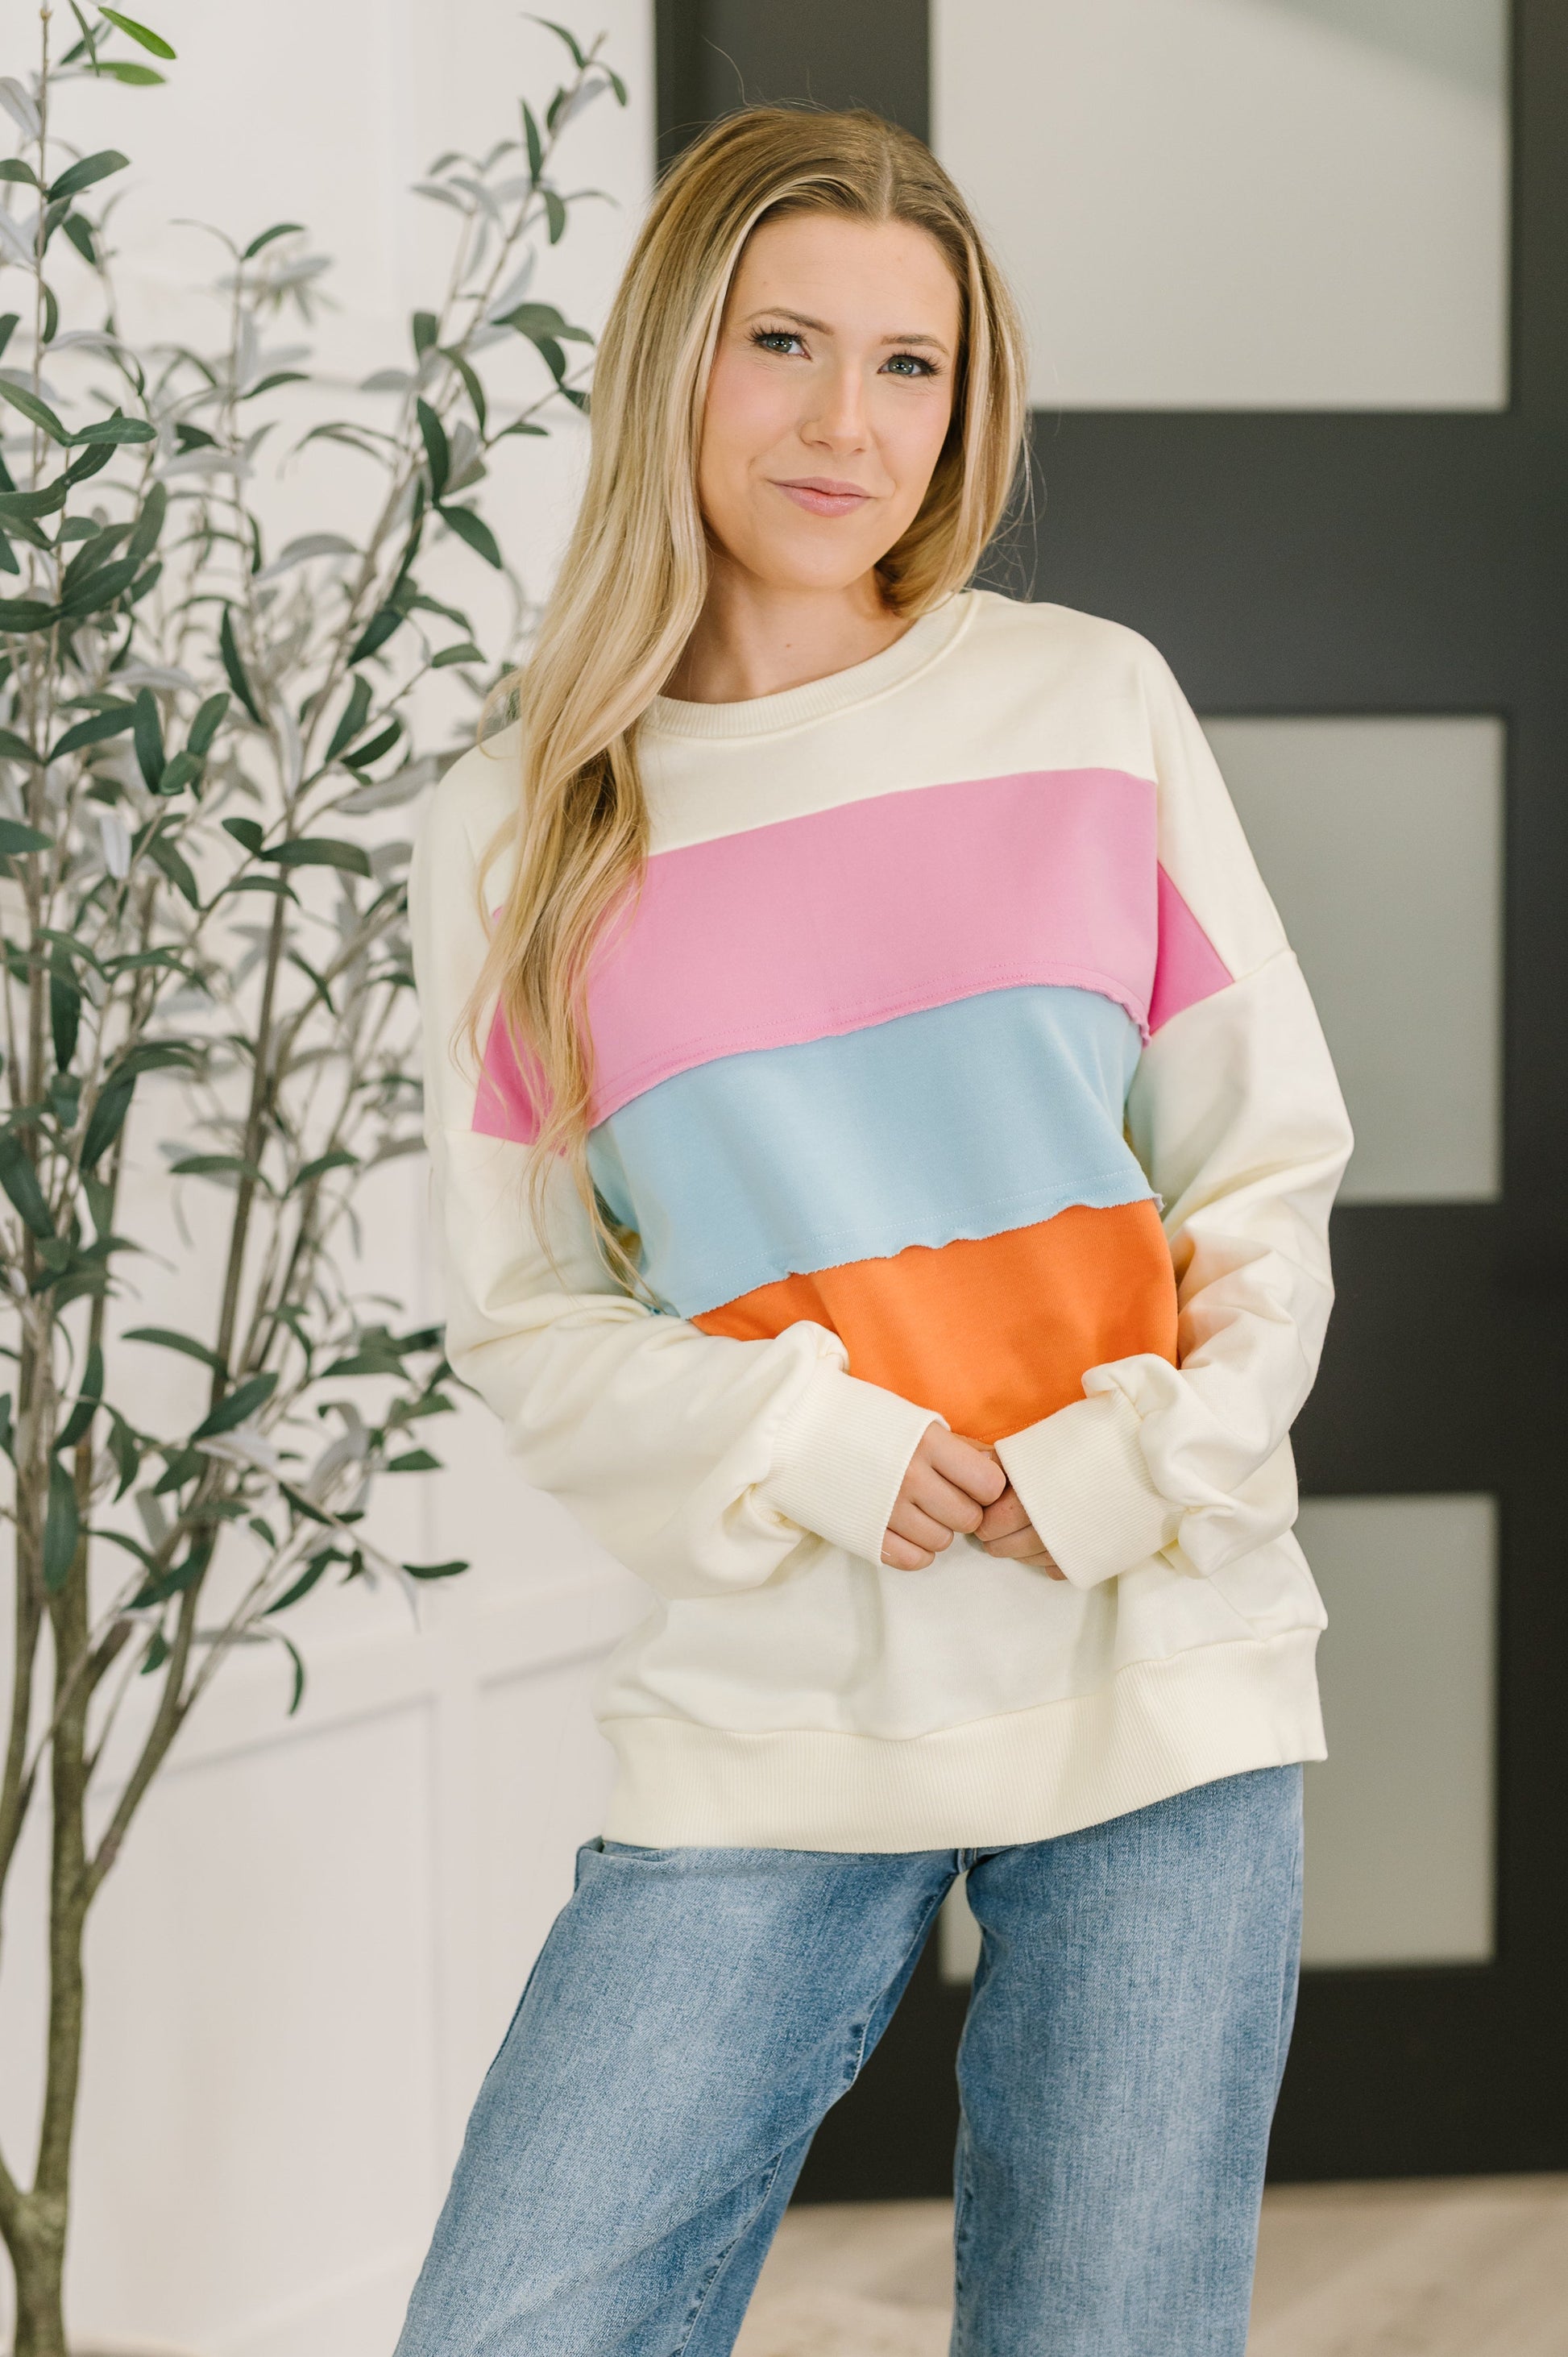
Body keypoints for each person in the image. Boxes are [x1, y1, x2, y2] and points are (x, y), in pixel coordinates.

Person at [395, 103, 1353, 2357]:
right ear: (672, 362)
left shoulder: (1082, 701)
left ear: (964, 402)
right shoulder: (519, 825)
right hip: (775, 1698)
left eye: (909, 365)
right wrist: (813, 1446)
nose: (848, 424)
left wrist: (1136, 1461)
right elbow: (531, 1312)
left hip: (1155, 1664)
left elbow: (1261, 1172)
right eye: (786, 344)